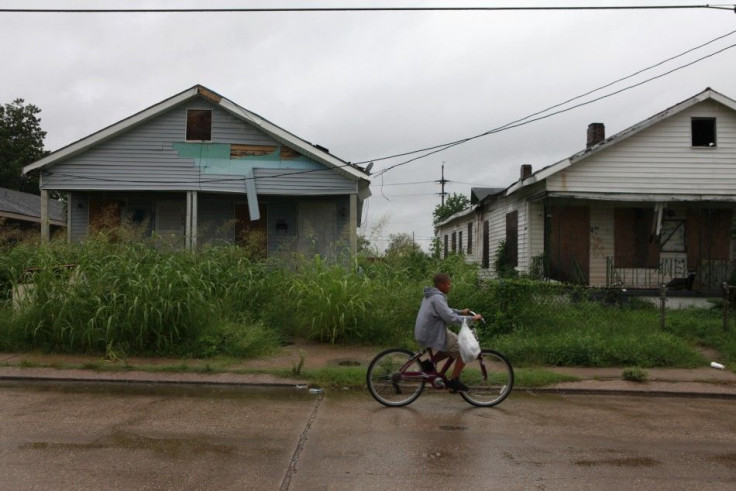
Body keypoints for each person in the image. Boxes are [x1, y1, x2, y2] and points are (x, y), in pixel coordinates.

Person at [414, 273, 482, 392]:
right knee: (464, 348)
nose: (450, 286)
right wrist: (472, 319)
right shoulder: (437, 298)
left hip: (427, 330)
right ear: (441, 285)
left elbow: (445, 311)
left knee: (452, 345)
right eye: (448, 283)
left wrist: (461, 312)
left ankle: (429, 364)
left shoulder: (432, 295)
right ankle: (453, 381)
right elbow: (450, 318)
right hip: (432, 332)